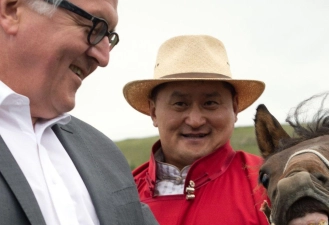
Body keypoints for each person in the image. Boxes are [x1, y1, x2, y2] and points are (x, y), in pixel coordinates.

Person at [0, 0, 158, 224]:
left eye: (109, 37)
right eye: (95, 27)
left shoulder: (106, 155)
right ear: (12, 10)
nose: (104, 58)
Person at [123, 35, 270, 225]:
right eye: (180, 104)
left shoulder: (269, 183)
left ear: (234, 108)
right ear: (153, 112)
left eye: (210, 103)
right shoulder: (123, 195)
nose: (195, 120)